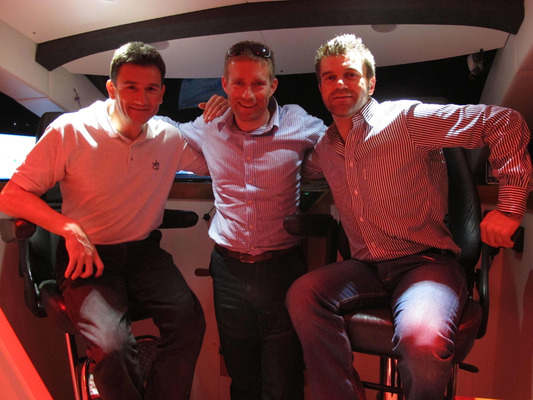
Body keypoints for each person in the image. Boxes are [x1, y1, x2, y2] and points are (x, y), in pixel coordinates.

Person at [285, 34, 532, 400]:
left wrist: (509, 208)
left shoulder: (406, 119)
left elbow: (503, 122)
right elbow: (296, 165)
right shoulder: (325, 148)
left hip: (425, 263)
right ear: (320, 87)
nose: (340, 84)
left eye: (350, 75)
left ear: (370, 83)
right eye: (329, 77)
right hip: (366, 267)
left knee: (421, 342)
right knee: (303, 294)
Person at [0, 42, 211, 400]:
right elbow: (11, 195)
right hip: (88, 257)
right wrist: (69, 228)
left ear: (162, 93)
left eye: (151, 89)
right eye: (131, 87)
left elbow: (216, 163)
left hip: (144, 254)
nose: (142, 99)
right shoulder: (72, 130)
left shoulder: (169, 138)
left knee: (189, 323)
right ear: (112, 88)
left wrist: (223, 120)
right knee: (113, 349)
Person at [170, 41, 327, 400]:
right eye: (238, 83)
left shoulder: (298, 122)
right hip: (228, 271)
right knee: (241, 378)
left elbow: (343, 147)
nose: (248, 94)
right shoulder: (209, 125)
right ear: (224, 85)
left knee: (283, 380)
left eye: (258, 83)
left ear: (273, 86)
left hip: (282, 269)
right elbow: (162, 129)